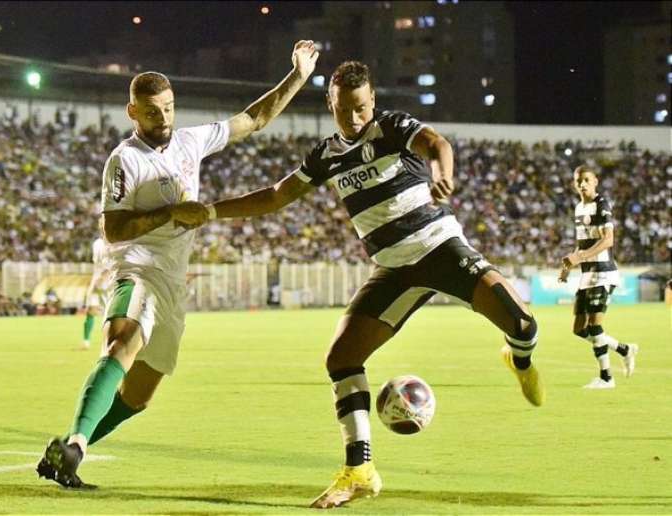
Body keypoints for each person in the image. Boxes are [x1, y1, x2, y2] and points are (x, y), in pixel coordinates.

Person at [194, 61, 545, 508]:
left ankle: (519, 361)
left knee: (524, 325)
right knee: (342, 358)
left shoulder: (392, 128)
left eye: (361, 108)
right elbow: (277, 196)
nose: (354, 118)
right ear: (331, 104)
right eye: (344, 110)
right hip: (393, 270)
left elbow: (436, 143)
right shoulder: (325, 155)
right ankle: (359, 471)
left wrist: (442, 171)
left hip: (441, 249)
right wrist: (209, 212)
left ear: (372, 101)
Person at [37, 40, 319, 489]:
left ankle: (69, 451)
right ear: (133, 113)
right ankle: (73, 445)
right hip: (137, 267)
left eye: (168, 108)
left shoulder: (191, 139)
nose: (163, 118)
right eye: (152, 112)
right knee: (122, 344)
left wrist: (299, 76)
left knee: (140, 395)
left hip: (172, 279)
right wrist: (169, 214)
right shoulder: (124, 160)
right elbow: (113, 230)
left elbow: (255, 119)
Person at [558, 165, 638, 389]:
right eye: (578, 181)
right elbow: (582, 241)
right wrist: (569, 264)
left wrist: (580, 257)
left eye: (585, 180)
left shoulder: (601, 204)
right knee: (579, 329)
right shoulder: (578, 208)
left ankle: (606, 377)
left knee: (594, 326)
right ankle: (624, 349)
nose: (581, 184)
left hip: (603, 274)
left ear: (595, 182)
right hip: (587, 275)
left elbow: (608, 240)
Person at [80, 233, 112, 350]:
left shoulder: (114, 243)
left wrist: (103, 278)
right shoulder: (97, 243)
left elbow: (112, 264)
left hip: (107, 283)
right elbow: (97, 266)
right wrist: (94, 281)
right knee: (90, 311)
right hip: (96, 282)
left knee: (109, 314)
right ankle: (86, 341)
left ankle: (109, 342)